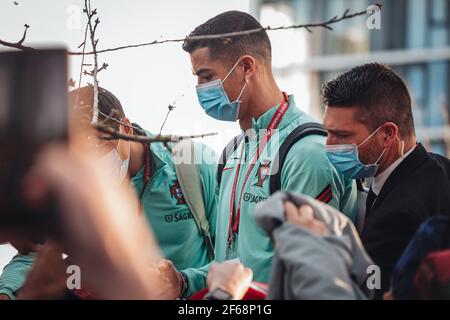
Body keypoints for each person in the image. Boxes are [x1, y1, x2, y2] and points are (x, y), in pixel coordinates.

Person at [164, 10, 357, 298]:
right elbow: (231, 266)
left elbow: (308, 282)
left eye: (206, 77)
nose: (200, 90)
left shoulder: (307, 153)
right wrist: (180, 282)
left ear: (246, 67)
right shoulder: (233, 152)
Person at [0, 86, 218, 299]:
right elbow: (36, 252)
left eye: (97, 146)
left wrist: (183, 282)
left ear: (125, 128)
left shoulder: (191, 165)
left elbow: (236, 256)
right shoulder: (72, 185)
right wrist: (6, 292)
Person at [322, 63, 450, 298]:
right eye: (327, 132)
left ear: (388, 134)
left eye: (342, 135)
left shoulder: (399, 215)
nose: (328, 145)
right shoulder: (440, 167)